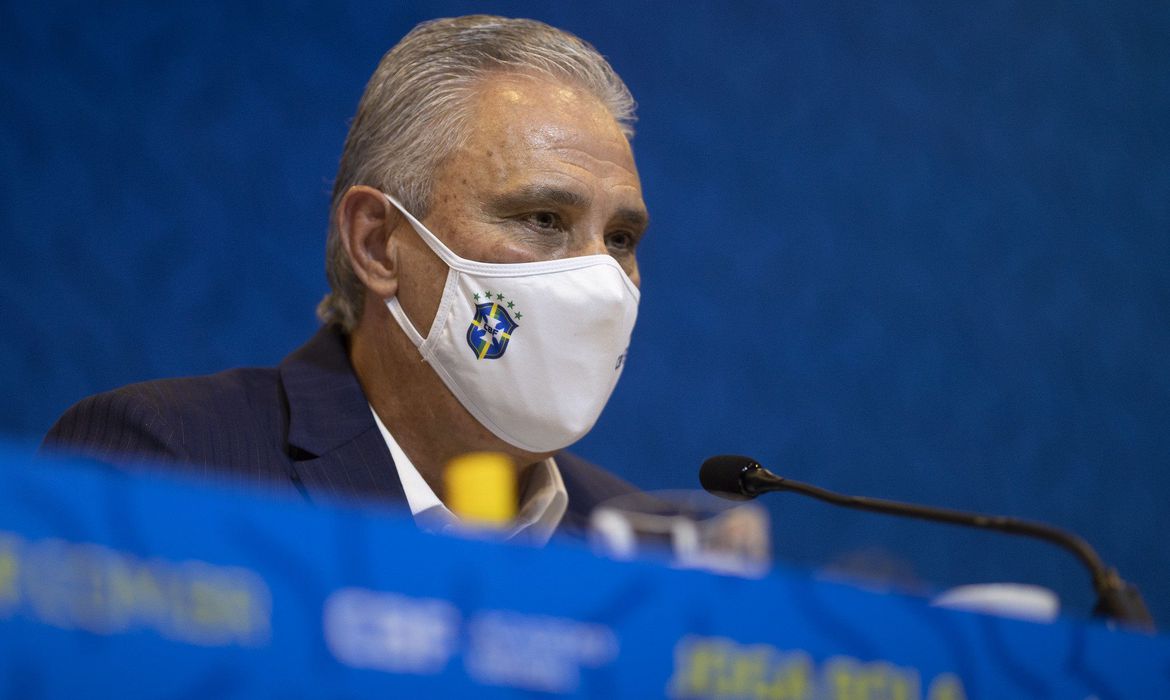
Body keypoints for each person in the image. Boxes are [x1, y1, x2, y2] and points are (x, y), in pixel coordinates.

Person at [41, 15, 650, 543]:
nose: (600, 279)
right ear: (377, 244)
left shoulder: (638, 544)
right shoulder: (172, 465)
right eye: (543, 219)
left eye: (620, 239)